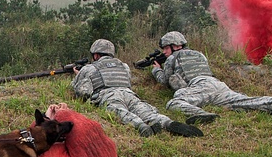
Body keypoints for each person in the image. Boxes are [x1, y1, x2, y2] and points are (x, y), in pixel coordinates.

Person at [150, 31, 272, 124]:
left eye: (165, 48)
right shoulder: (200, 54)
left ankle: (201, 114)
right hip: (217, 85)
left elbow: (165, 80)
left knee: (174, 102)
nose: (164, 52)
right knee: (245, 102)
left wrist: (156, 70)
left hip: (198, 87)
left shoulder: (172, 58)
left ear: (175, 46)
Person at [71, 39, 202, 137]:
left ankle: (141, 126)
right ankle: (167, 122)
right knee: (146, 111)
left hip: (108, 95)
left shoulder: (90, 68)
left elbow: (82, 92)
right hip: (129, 94)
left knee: (120, 112)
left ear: (96, 55)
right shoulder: (124, 66)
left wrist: (78, 77)